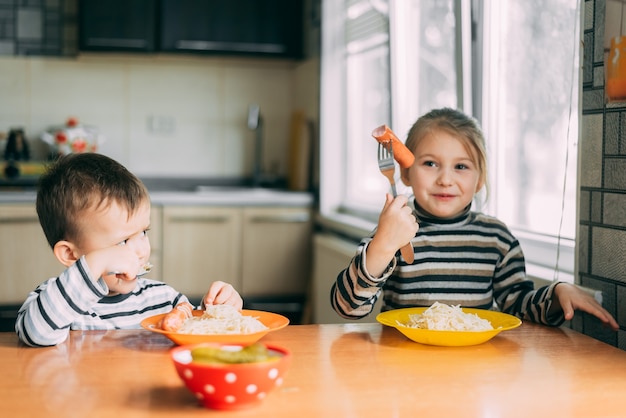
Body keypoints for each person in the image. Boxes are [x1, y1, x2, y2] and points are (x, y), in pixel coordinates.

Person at [331, 107, 618, 330]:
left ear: (479, 180)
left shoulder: (497, 239)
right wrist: (381, 247)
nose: (445, 179)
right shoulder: (393, 231)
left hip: (478, 369)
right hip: (399, 361)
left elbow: (517, 306)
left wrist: (557, 294)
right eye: (430, 163)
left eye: (461, 166)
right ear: (406, 173)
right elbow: (347, 308)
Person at [16, 153, 243, 347]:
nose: (141, 250)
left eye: (143, 232)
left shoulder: (163, 299)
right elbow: (35, 334)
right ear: (70, 254)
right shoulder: (55, 301)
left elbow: (196, 333)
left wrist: (218, 309)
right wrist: (94, 265)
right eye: (122, 241)